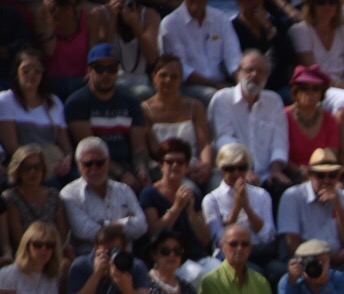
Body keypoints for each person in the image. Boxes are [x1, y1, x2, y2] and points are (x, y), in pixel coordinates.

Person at [65, 44, 150, 193]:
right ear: (89, 71)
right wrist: (122, 174)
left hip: (128, 163)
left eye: (111, 69)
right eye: (99, 69)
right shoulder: (76, 103)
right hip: (95, 165)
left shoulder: (131, 102)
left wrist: (140, 169)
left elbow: (139, 147)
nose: (106, 74)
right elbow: (90, 149)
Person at [208, 52, 291, 198]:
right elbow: (224, 140)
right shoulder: (222, 99)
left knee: (284, 189)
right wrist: (243, 170)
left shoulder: (274, 101)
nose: (254, 75)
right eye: (249, 70)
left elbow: (280, 141)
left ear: (267, 76)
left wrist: (276, 170)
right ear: (238, 73)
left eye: (260, 71)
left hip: (266, 174)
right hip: (232, 171)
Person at [0, 51, 75, 187]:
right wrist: (41, 166)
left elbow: (65, 145)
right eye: (26, 70)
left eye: (37, 70)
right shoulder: (6, 100)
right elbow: (11, 145)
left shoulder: (54, 102)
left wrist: (67, 160)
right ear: (16, 72)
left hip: (54, 163)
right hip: (25, 165)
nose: (32, 74)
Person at [141, 55, 215, 188]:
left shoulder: (195, 106)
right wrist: (183, 169)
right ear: (154, 77)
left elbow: (205, 144)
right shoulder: (145, 110)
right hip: (163, 167)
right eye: (163, 75)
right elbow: (154, 150)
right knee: (189, 189)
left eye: (174, 76)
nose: (168, 80)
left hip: (194, 165)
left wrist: (206, 167)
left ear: (181, 80)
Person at [277, 147, 344, 266]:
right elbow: (293, 248)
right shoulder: (292, 197)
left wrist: (338, 208)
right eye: (321, 175)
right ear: (310, 175)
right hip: (306, 263)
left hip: (341, 263)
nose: (327, 180)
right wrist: (334, 258)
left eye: (332, 175)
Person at [202, 142, 277, 272]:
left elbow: (268, 236)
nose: (236, 173)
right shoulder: (211, 200)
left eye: (242, 168)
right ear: (221, 169)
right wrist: (236, 208)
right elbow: (220, 240)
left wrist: (247, 208)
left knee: (277, 270)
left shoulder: (262, 195)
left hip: (259, 251)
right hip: (230, 255)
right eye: (230, 168)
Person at [64, 223, 153, 294]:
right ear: (96, 248)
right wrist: (96, 275)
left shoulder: (135, 267)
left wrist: (128, 290)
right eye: (107, 252)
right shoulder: (82, 265)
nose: (111, 256)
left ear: (125, 249)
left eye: (115, 251)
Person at [62, 136, 146, 249]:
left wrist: (104, 225)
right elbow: (85, 232)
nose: (94, 169)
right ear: (78, 165)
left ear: (108, 162)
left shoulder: (124, 190)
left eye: (99, 163)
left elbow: (142, 226)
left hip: (125, 259)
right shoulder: (69, 194)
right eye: (88, 164)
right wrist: (125, 223)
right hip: (88, 258)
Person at [141, 139, 212, 271]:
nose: (175, 165)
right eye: (169, 161)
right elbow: (153, 233)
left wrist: (191, 211)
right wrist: (176, 207)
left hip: (195, 255)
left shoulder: (192, 193)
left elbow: (205, 239)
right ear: (161, 165)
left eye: (180, 162)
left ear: (186, 166)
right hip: (168, 258)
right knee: (197, 275)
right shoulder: (149, 194)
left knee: (219, 273)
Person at [200, 223, 277, 294]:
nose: (239, 249)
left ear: (250, 248)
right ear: (222, 247)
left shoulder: (261, 281)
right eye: (233, 244)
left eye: (245, 244)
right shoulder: (212, 282)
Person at [157, 0, 240, 102]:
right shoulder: (170, 24)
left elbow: (233, 56)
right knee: (213, 96)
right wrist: (214, 85)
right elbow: (180, 68)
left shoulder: (220, 19)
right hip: (189, 85)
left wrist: (242, 81)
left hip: (221, 82)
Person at [4, 146, 71, 259]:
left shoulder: (54, 196)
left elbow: (63, 235)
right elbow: (19, 240)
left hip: (54, 255)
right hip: (27, 257)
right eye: (27, 168)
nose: (33, 172)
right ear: (18, 170)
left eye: (37, 167)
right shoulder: (11, 198)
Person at [140, 229, 211, 294]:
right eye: (165, 251)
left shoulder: (187, 286)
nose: (172, 255)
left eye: (177, 251)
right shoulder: (144, 284)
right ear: (154, 255)